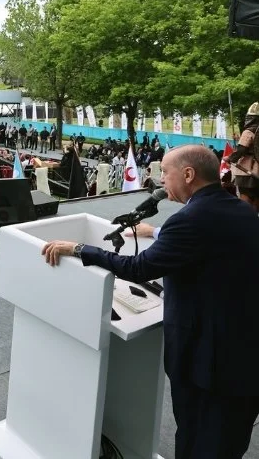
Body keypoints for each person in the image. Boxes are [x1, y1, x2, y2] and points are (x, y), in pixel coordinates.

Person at [41, 145, 259, 457]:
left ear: (188, 174)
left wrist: (79, 249)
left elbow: (137, 267)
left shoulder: (189, 220)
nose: (160, 181)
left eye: (164, 173)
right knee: (228, 440)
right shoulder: (239, 209)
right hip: (245, 357)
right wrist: (155, 231)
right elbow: (208, 242)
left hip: (208, 365)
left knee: (200, 441)